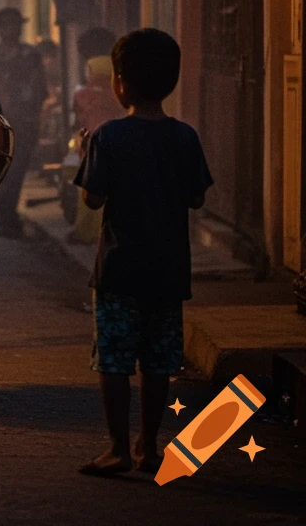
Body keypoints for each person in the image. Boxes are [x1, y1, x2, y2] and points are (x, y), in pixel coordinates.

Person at [74, 28, 212, 477]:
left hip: (118, 268)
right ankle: (148, 447)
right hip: (168, 269)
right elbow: (196, 200)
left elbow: (92, 200)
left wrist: (83, 153)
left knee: (114, 361)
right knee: (158, 363)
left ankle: (115, 448)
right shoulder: (184, 137)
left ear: (119, 83)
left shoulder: (107, 137)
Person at [0, 7, 47, 237]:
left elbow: (39, 88)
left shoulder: (31, 54)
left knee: (17, 167)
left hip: (24, 118)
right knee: (7, 167)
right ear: (0, 28)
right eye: (9, 25)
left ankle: (5, 213)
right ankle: (4, 214)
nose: (14, 29)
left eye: (16, 25)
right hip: (2, 118)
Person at [70, 55, 124, 244]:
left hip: (90, 142)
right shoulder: (119, 92)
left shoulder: (81, 94)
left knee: (89, 185)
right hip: (117, 143)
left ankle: (86, 231)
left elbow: (77, 119)